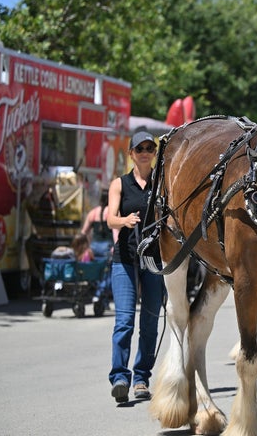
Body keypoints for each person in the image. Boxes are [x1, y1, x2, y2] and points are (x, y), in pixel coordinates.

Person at [106, 131, 164, 403]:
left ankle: (141, 378)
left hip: (153, 260)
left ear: (154, 152)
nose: (144, 151)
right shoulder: (119, 183)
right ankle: (119, 377)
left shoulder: (161, 182)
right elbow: (110, 220)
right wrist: (124, 221)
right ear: (131, 153)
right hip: (125, 259)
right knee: (124, 322)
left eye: (149, 147)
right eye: (139, 148)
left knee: (150, 324)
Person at [81, 189, 116, 302]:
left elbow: (83, 232)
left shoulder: (93, 213)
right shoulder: (111, 212)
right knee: (108, 272)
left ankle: (97, 292)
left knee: (95, 270)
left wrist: (87, 245)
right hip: (107, 247)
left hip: (94, 246)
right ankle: (100, 294)